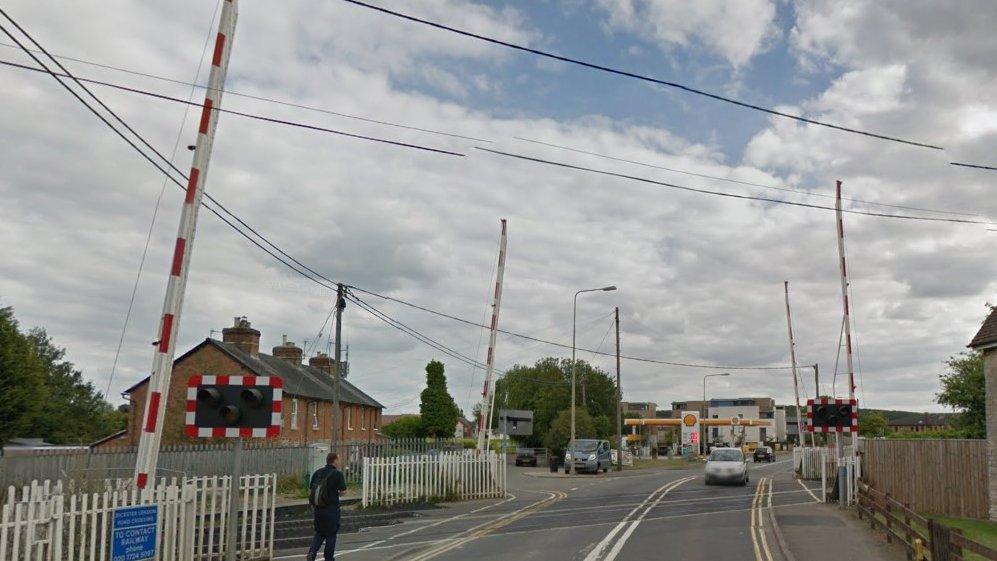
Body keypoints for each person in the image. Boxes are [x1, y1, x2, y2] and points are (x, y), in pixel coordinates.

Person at [307, 452, 347, 561]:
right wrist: (335, 493)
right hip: (331, 510)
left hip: (318, 509)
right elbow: (343, 491)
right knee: (331, 535)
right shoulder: (337, 474)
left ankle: (312, 553)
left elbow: (311, 490)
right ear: (334, 461)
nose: (340, 462)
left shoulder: (317, 473)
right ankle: (329, 558)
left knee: (319, 533)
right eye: (339, 459)